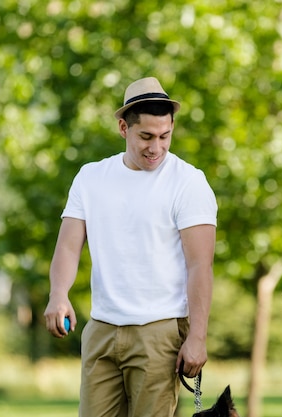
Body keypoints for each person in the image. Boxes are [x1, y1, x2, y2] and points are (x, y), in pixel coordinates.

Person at [43, 77, 218, 417]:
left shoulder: (188, 182)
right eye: (146, 137)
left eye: (165, 136)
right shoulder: (91, 178)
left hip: (159, 332)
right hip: (102, 329)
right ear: (124, 128)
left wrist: (197, 336)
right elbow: (67, 247)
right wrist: (58, 294)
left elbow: (201, 266)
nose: (156, 147)